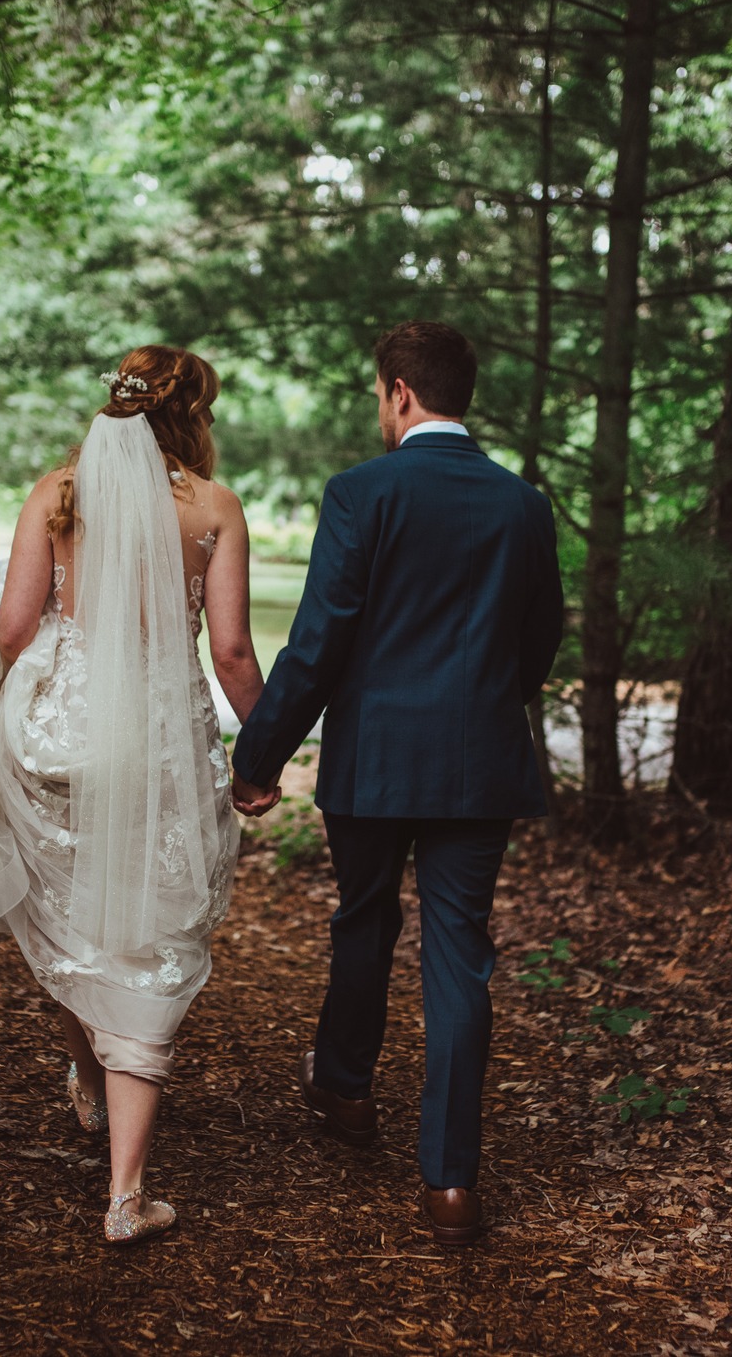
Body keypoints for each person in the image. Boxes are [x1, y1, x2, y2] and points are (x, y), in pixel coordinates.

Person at [0, 345, 279, 1247]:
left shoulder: (58, 495)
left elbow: (14, 626)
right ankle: (127, 1193)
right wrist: (267, 750)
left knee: (66, 915)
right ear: (194, 412)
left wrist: (23, 689)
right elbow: (234, 655)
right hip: (164, 750)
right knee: (149, 935)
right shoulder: (214, 509)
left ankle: (87, 1073)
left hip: (61, 741)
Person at [229, 320, 563, 1245]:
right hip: (481, 763)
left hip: (374, 759)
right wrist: (489, 705)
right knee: (460, 951)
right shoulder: (522, 506)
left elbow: (319, 642)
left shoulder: (361, 494)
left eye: (380, 394)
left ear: (401, 392)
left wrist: (258, 757)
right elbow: (539, 641)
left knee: (365, 917)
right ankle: (451, 1182)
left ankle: (342, 1089)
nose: (380, 409)